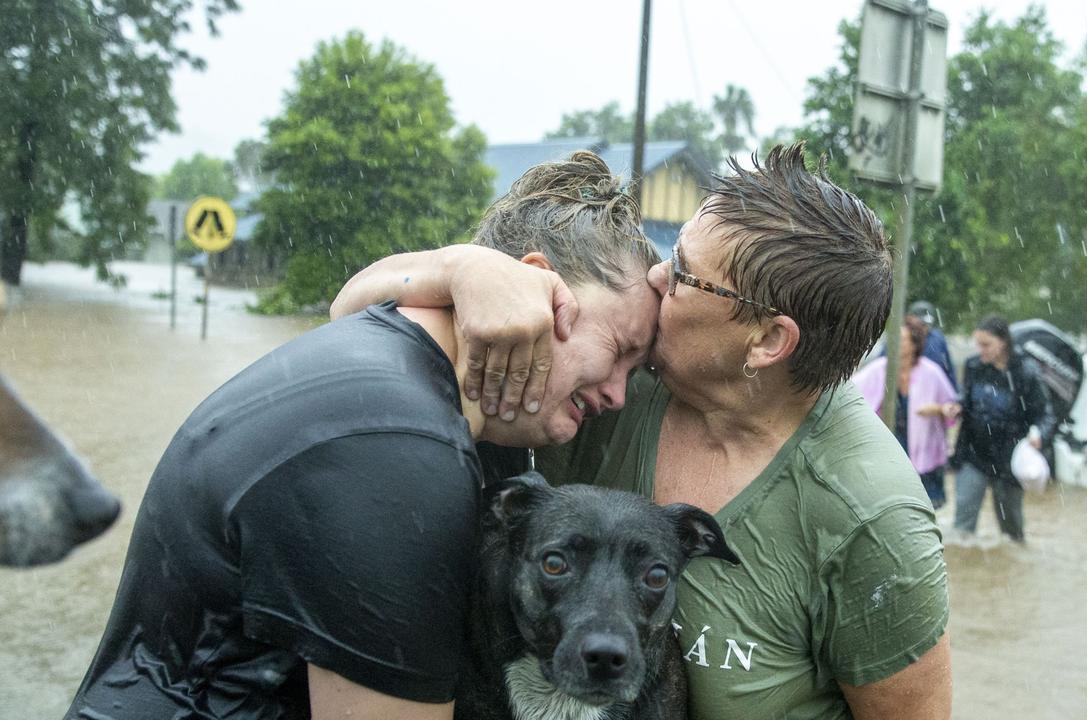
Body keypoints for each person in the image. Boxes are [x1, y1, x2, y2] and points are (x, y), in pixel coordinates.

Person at [333, 144, 953, 719]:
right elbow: (356, 331)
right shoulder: (620, 376)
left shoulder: (871, 517)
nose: (658, 277)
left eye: (684, 272)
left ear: (766, 340)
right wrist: (463, 269)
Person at [65, 152, 661, 720]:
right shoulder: (396, 449)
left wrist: (453, 268)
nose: (615, 395)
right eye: (619, 351)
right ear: (533, 290)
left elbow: (349, 299)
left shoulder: (406, 370)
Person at [944, 314, 1054, 543]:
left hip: (1009, 461)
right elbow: (967, 397)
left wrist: (1039, 435)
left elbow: (1046, 415)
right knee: (961, 530)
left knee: (1012, 533)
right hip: (973, 455)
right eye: (978, 344)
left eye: (986, 344)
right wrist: (958, 405)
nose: (980, 350)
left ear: (1003, 342)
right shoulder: (974, 366)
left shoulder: (1026, 372)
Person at [854, 322, 957, 508]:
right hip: (891, 448)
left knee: (928, 507)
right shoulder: (878, 370)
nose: (895, 343)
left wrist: (938, 409)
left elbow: (952, 406)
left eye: (901, 339)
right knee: (890, 505)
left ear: (914, 344)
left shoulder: (931, 372)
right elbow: (848, 395)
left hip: (926, 451)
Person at [907, 299, 957, 389]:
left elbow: (948, 371)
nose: (924, 328)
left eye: (926, 324)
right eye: (921, 324)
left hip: (931, 392)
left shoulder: (937, 339)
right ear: (910, 319)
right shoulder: (900, 338)